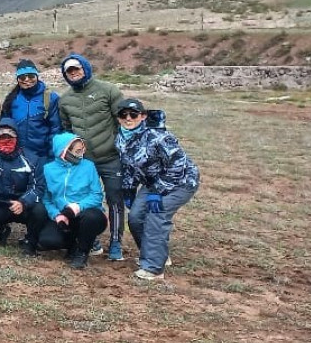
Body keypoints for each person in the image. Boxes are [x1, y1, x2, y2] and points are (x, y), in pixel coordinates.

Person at [115, 98, 200, 281]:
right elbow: (129, 166)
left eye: (133, 114)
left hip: (182, 182)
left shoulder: (158, 136)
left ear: (143, 116)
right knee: (135, 217)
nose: (128, 118)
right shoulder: (121, 137)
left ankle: (153, 268)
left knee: (156, 215)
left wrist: (156, 192)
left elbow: (178, 164)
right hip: (152, 182)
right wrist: (128, 190)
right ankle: (157, 254)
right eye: (123, 115)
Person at [57, 53, 128, 261]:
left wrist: (119, 145)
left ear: (86, 68)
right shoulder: (65, 100)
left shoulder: (108, 91)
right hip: (84, 161)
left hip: (110, 156)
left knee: (115, 199)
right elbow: (67, 129)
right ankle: (92, 238)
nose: (74, 73)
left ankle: (115, 241)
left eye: (76, 69)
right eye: (69, 71)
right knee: (84, 199)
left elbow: (123, 120)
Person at [33, 133, 108, 269]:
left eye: (83, 150)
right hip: (63, 216)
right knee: (47, 241)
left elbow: (96, 195)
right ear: (64, 151)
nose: (81, 154)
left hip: (86, 213)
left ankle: (82, 252)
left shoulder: (89, 166)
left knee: (92, 218)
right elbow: (47, 199)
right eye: (77, 151)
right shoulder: (48, 170)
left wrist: (77, 207)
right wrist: (57, 215)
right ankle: (73, 244)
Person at [0, 59, 61, 162]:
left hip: (42, 156)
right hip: (16, 155)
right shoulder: (11, 99)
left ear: (37, 76)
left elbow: (55, 129)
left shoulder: (50, 98)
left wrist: (52, 156)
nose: (27, 80)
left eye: (31, 76)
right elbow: (4, 126)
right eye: (22, 77)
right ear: (17, 79)